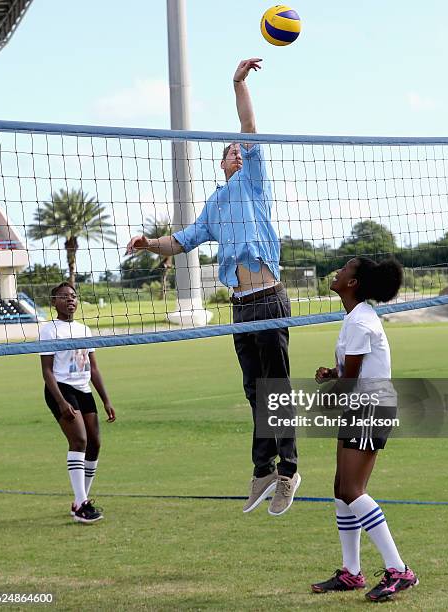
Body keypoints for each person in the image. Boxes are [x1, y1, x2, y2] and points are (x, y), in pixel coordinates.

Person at [126, 58, 300, 516]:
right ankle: (263, 469)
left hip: (269, 298)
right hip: (240, 307)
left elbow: (248, 123)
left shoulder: (255, 183)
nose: (239, 153)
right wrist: (148, 244)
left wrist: (237, 82)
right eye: (231, 152)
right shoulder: (213, 207)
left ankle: (289, 471)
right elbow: (179, 241)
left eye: (242, 150)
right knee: (253, 389)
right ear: (220, 162)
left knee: (275, 389)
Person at [310, 257, 418, 603]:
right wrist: (332, 374)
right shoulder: (355, 318)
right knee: (341, 489)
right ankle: (351, 573)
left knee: (353, 490)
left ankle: (399, 570)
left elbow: (353, 382)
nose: (338, 271)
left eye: (345, 269)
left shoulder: (360, 322)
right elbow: (349, 376)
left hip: (371, 407)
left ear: (353, 283)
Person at [39, 282, 116, 523]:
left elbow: (93, 367)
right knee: (79, 440)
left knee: (94, 444)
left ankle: (81, 499)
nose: (70, 300)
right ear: (54, 302)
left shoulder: (84, 329)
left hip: (83, 389)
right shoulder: (49, 330)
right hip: (61, 388)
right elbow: (47, 371)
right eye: (64, 297)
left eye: (73, 296)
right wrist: (60, 402)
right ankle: (81, 503)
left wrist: (106, 400)